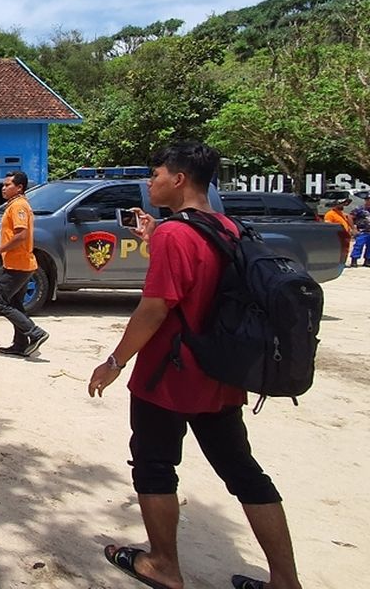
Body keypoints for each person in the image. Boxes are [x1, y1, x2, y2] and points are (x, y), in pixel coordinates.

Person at [87, 142, 302, 589]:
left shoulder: (174, 234)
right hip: (221, 374)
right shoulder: (227, 228)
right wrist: (154, 240)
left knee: (154, 466)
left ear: (179, 179)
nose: (151, 182)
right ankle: (286, 580)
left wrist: (114, 361)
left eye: (156, 174)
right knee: (243, 472)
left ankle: (163, 565)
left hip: (169, 376)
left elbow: (155, 309)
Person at [0, 171, 49, 357]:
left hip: (18, 264)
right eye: (3, 185)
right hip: (18, 263)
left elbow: (21, 235)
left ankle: (35, 333)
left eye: (7, 185)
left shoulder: (19, 206)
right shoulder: (15, 204)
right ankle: (20, 344)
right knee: (15, 303)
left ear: (19, 187)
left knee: (0, 302)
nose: (3, 188)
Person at [322, 199, 354, 264]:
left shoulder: (341, 214)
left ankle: (342, 262)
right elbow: (328, 226)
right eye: (341, 204)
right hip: (337, 236)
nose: (343, 205)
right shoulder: (330, 214)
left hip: (345, 236)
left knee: (344, 251)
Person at [347, 196, 370, 268]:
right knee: (358, 246)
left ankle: (367, 261)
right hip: (362, 231)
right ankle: (354, 261)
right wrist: (353, 228)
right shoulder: (360, 209)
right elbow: (350, 217)